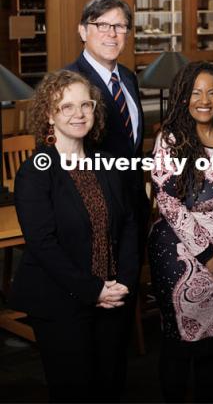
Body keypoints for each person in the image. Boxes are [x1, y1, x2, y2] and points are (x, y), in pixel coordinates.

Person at [9, 70, 138, 402]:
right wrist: (93, 289)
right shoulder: (35, 171)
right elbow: (42, 245)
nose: (79, 114)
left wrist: (124, 280)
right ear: (49, 114)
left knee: (111, 387)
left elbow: (128, 225)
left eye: (86, 105)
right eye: (66, 106)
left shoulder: (109, 163)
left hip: (113, 297)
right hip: (61, 301)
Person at [148, 61, 213, 403]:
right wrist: (209, 257)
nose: (204, 100)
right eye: (195, 92)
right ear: (183, 98)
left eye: (211, 92)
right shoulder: (171, 140)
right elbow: (168, 202)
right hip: (181, 260)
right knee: (180, 345)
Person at [66, 0, 149, 249]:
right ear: (83, 31)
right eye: (102, 25)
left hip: (134, 206)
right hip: (93, 211)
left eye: (120, 26)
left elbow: (130, 144)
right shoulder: (68, 83)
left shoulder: (127, 77)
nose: (111, 33)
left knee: (131, 282)